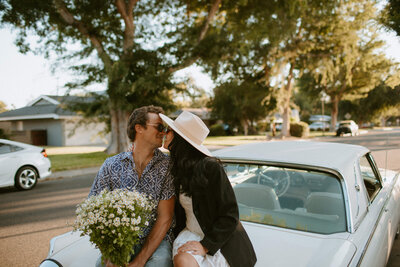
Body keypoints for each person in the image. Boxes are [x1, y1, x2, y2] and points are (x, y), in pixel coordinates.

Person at [160, 111, 257, 267]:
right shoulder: (177, 166)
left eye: (169, 130)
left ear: (180, 139)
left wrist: (205, 245)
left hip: (219, 241)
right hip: (190, 234)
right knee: (182, 261)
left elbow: (230, 215)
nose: (165, 132)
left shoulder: (210, 168)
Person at [89, 105, 175, 267]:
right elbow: (95, 212)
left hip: (157, 241)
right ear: (139, 128)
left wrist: (140, 261)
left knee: (158, 263)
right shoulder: (111, 165)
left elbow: (165, 218)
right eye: (159, 127)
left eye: (165, 128)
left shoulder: (167, 167)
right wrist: (109, 254)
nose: (163, 132)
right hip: (120, 241)